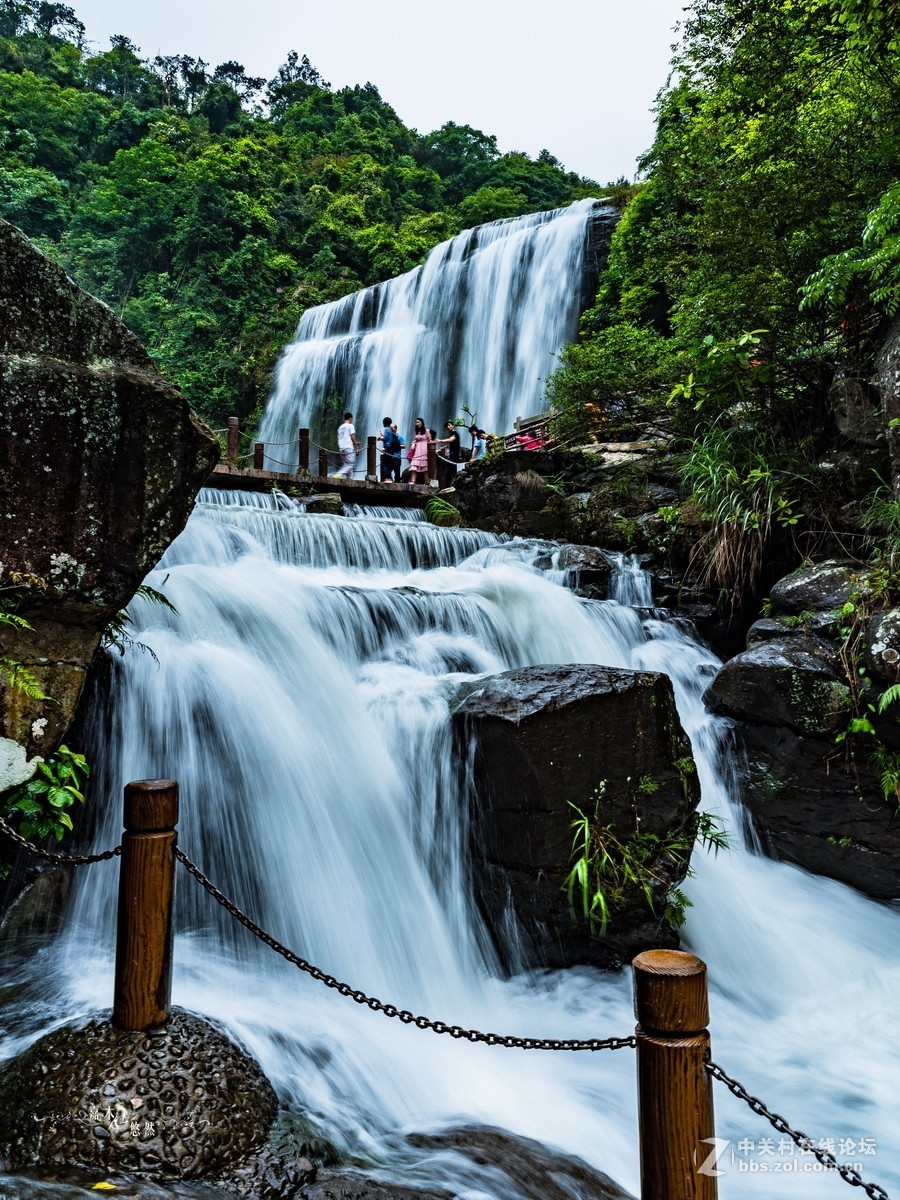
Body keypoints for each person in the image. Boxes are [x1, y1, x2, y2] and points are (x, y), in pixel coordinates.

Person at [334, 412, 358, 479]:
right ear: (350, 418)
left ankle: (349, 480)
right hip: (348, 447)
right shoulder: (350, 426)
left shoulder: (340, 427)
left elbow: (344, 438)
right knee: (351, 464)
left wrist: (355, 443)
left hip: (341, 448)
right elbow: (352, 437)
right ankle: (338, 474)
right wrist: (357, 447)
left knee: (347, 464)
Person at [377, 416, 401, 482]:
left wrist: (380, 438)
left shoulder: (387, 430)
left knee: (384, 465)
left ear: (384, 423)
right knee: (388, 465)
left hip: (388, 449)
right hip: (390, 450)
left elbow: (386, 438)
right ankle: (389, 478)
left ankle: (388, 479)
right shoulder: (390, 430)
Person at [407, 416, 430, 484]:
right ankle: (413, 481)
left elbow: (429, 439)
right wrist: (413, 443)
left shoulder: (426, 430)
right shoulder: (417, 431)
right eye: (416, 422)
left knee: (425, 466)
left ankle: (427, 482)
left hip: (424, 448)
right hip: (418, 449)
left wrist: (429, 449)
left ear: (422, 423)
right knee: (414, 465)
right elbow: (416, 439)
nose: (417, 423)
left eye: (418, 422)